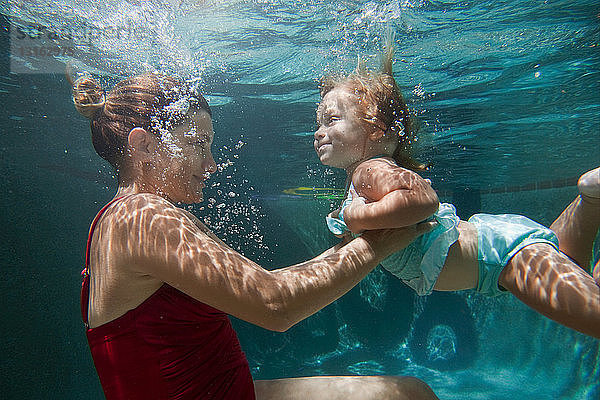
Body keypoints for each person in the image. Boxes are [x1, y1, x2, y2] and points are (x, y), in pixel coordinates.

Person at [72, 72, 440, 400]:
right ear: (145, 146)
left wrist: (353, 245)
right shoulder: (142, 217)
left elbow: (270, 287)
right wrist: (374, 245)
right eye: (198, 143)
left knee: (409, 392)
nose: (211, 164)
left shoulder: (120, 220)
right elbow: (275, 303)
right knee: (409, 395)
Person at [315, 44, 600, 339]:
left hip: (504, 255)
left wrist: (357, 216)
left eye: (332, 120)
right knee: (569, 264)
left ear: (377, 128)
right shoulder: (367, 176)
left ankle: (591, 199)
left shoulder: (371, 170)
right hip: (497, 252)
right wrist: (351, 220)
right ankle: (590, 199)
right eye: (319, 122)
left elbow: (422, 200)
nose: (318, 131)